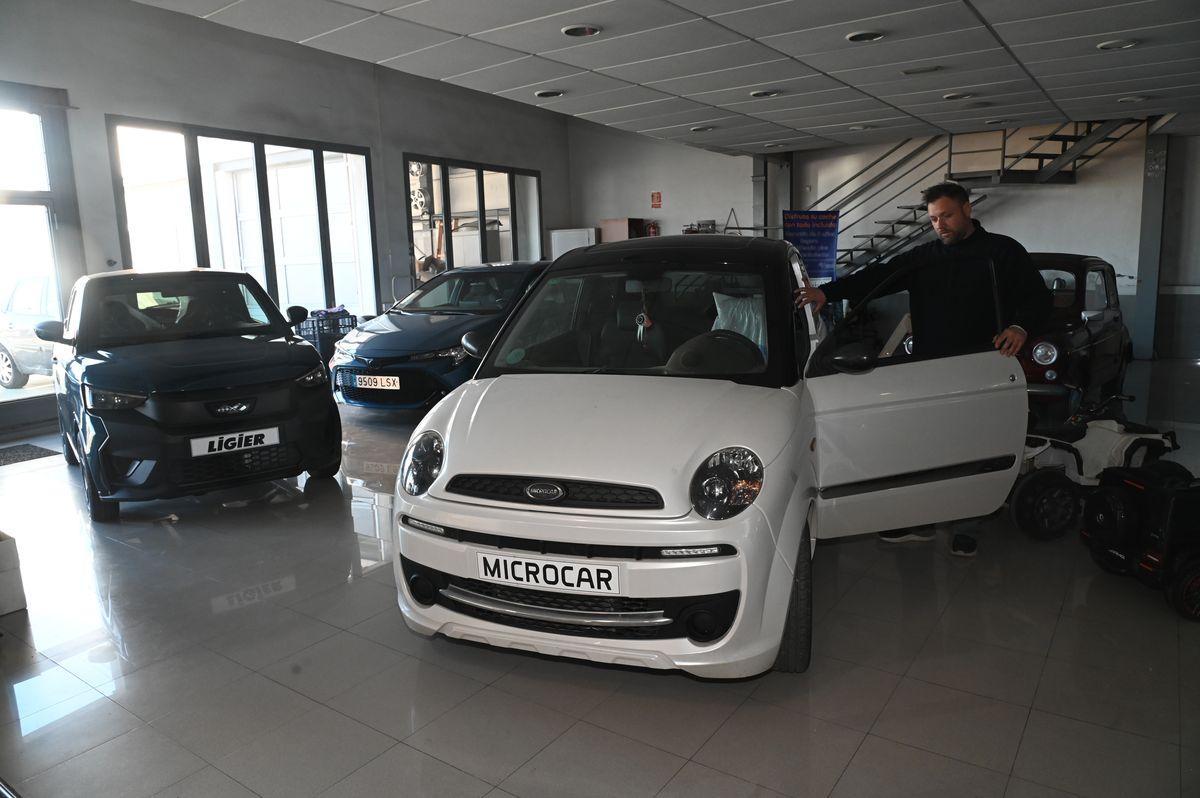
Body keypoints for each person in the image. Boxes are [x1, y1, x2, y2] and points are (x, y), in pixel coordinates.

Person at [795, 181, 1052, 556]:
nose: (940, 225)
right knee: (927, 447)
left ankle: (967, 525)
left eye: (947, 216)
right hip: (928, 371)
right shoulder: (924, 258)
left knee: (972, 448)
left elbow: (1039, 299)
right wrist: (826, 292)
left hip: (980, 369)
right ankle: (920, 519)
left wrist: (1019, 327)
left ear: (967, 209)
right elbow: (877, 276)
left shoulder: (1003, 252)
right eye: (933, 219)